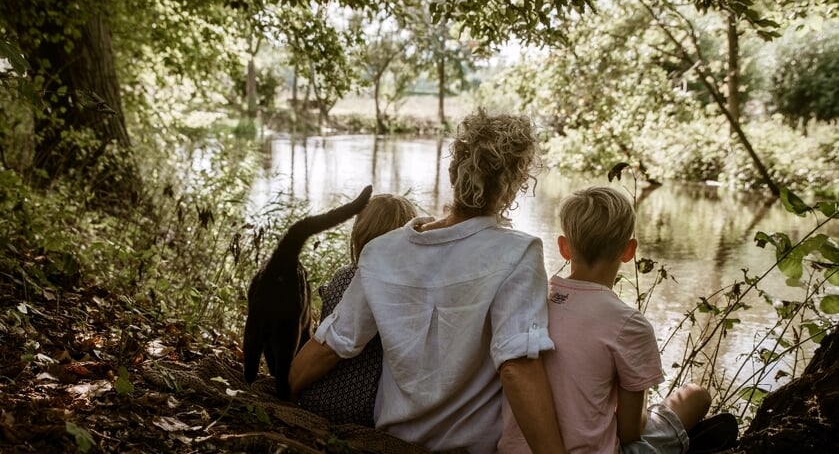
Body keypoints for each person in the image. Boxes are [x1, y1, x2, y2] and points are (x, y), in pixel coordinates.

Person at [289, 110, 567, 454]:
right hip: (470, 448)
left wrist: (285, 391)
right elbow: (516, 368)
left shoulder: (382, 251)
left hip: (390, 440)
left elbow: (332, 344)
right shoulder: (518, 253)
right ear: (514, 185)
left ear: (452, 172)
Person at [499, 186, 714, 454]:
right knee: (696, 395)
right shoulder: (629, 324)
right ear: (629, 250)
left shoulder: (534, 303)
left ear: (564, 247)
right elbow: (629, 432)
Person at [296, 193, 418, 427]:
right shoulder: (412, 289)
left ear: (360, 233)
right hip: (373, 405)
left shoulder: (347, 278)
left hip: (323, 395)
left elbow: (326, 348)